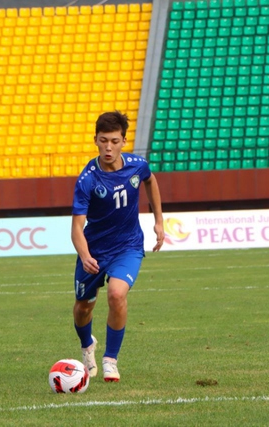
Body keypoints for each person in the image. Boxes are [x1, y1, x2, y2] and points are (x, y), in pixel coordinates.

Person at [70, 111, 164, 383]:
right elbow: (77, 227)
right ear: (95, 141)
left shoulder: (137, 165)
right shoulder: (87, 178)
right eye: (103, 141)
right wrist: (85, 255)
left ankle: (110, 360)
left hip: (128, 245)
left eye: (114, 141)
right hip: (95, 250)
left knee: (116, 293)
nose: (108, 147)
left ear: (124, 141)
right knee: (83, 307)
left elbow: (150, 180)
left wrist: (158, 220)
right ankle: (87, 346)